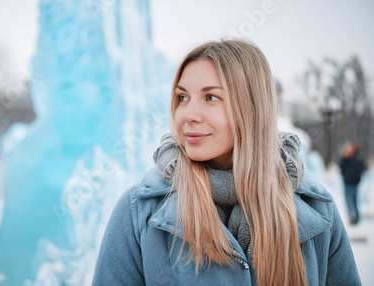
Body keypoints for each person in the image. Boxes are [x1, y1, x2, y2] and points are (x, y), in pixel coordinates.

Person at [92, 40, 360, 285]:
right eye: (182, 97)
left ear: (252, 108)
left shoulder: (317, 210)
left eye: (211, 97)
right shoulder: (139, 212)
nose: (188, 114)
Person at [339, 141, 367, 225]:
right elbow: (341, 167)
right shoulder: (347, 158)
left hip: (352, 182)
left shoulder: (356, 159)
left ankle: (354, 217)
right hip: (349, 182)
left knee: (351, 200)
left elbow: (362, 168)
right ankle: (355, 217)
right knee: (352, 200)